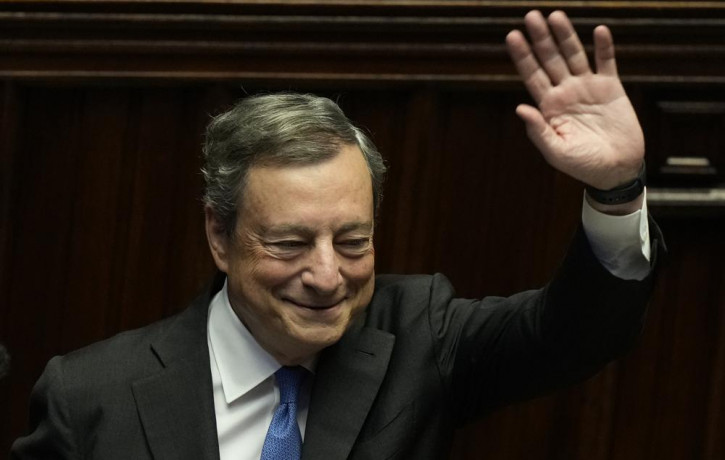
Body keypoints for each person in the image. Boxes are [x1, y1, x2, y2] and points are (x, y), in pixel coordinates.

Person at [11, 10, 664, 460]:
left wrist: (614, 192)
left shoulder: (418, 338)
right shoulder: (90, 396)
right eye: (289, 244)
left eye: (352, 242)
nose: (327, 276)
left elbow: (577, 332)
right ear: (219, 233)